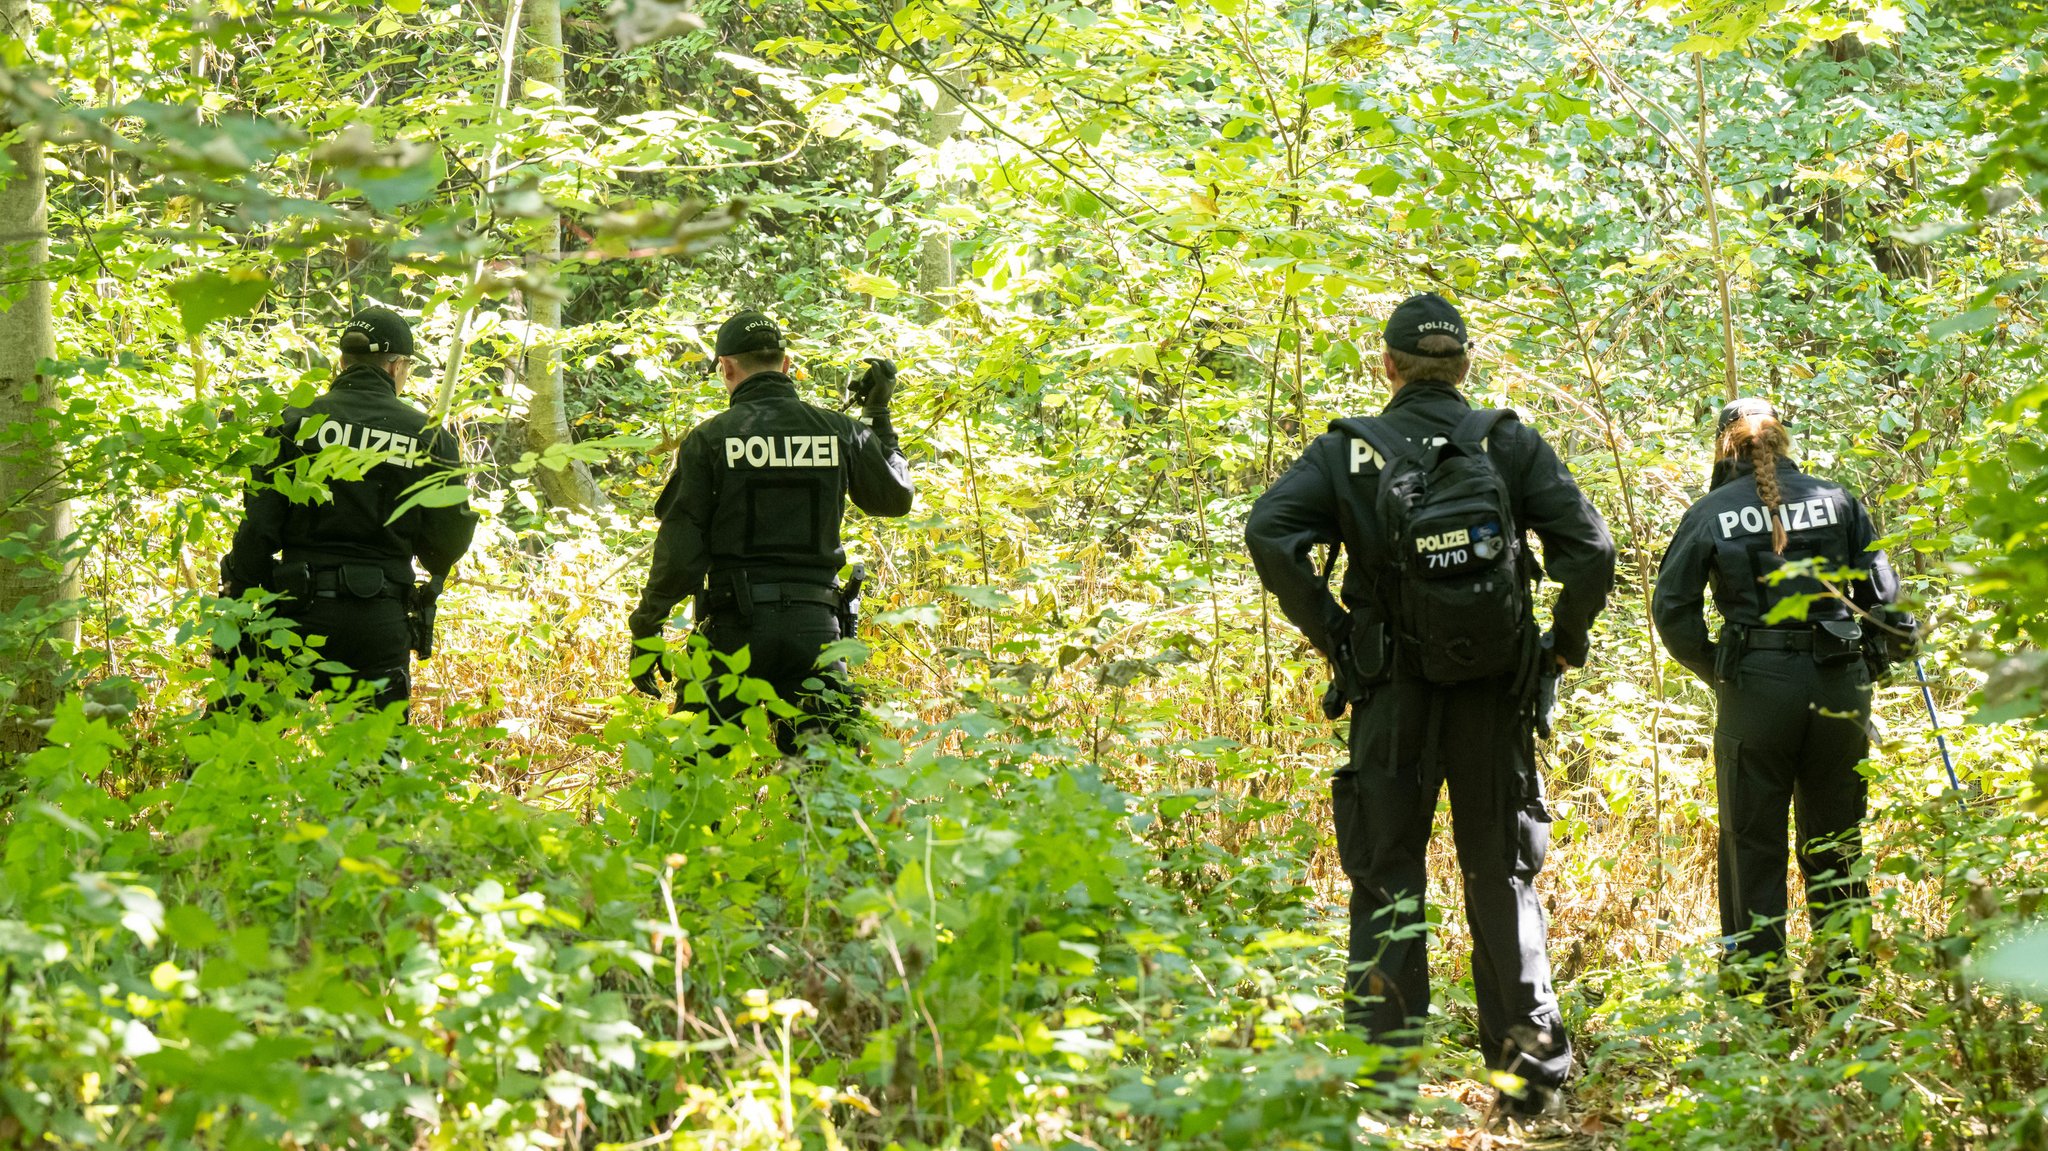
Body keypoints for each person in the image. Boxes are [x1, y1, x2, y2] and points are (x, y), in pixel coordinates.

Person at [1244, 293, 1614, 1117]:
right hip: (1495, 698)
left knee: (1386, 879)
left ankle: (1383, 1092)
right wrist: (1559, 644)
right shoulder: (1507, 441)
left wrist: (1338, 635)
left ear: (1389, 367)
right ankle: (1530, 1089)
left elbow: (1269, 531)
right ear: (1466, 366)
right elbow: (1591, 549)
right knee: (1502, 878)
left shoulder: (1348, 453)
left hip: (1391, 699)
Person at [1652, 397, 1900, 1009]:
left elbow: (1671, 608)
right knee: (1838, 840)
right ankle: (1844, 997)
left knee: (1751, 844)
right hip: (1839, 685)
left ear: (1723, 446)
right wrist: (1867, 663)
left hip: (1755, 688)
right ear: (1783, 441)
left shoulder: (1711, 511)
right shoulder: (1839, 500)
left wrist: (1721, 672)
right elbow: (1886, 600)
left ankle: (1762, 1005)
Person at [628, 310, 913, 743]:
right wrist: (877, 414)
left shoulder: (711, 438)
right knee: (828, 785)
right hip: (817, 629)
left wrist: (648, 627)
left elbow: (681, 548)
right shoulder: (840, 431)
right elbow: (894, 499)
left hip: (731, 633)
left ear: (725, 368)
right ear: (785, 363)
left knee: (693, 781)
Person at [222, 307, 477, 714]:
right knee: (371, 768)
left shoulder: (295, 422)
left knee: (238, 754)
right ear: (396, 366)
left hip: (294, 616)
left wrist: (243, 594)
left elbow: (258, 528)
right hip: (379, 620)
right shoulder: (428, 438)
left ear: (342, 361)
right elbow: (449, 538)